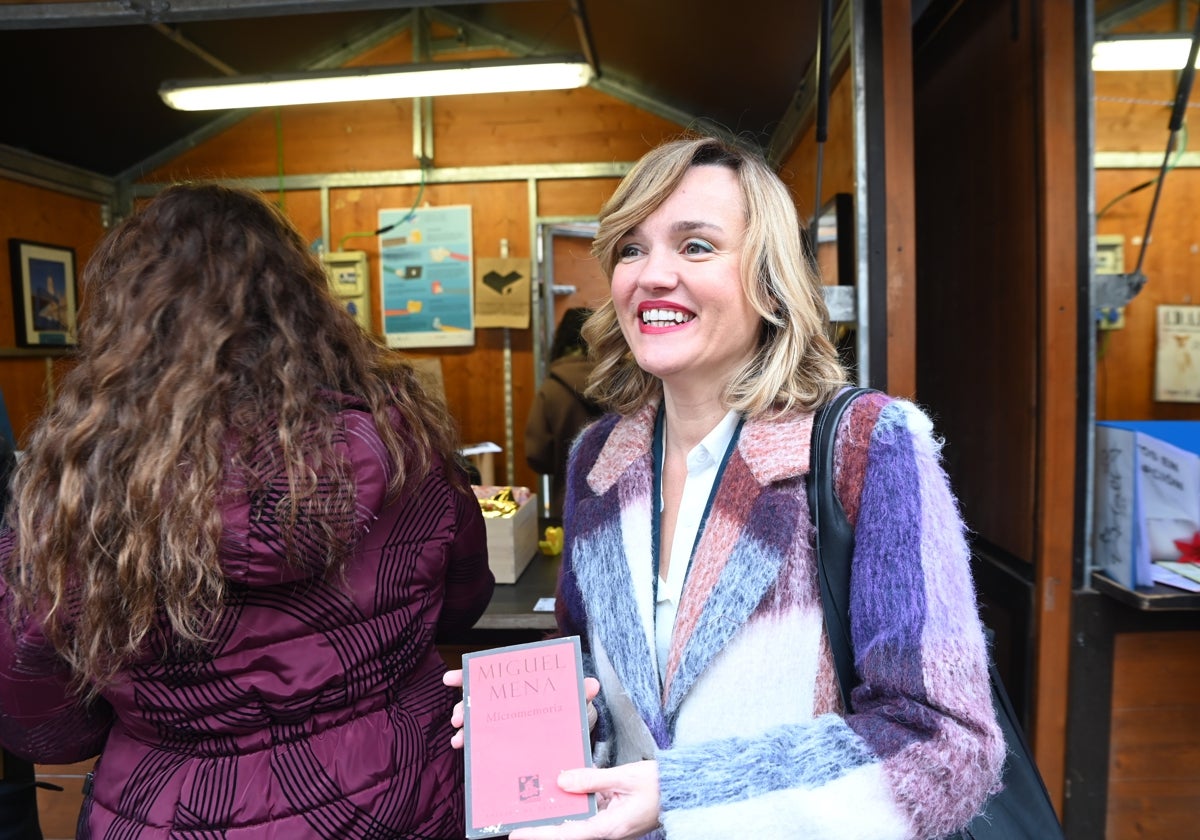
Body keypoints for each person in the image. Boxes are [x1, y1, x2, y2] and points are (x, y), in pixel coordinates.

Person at [447, 135, 1005, 839]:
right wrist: (548, 717)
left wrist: (684, 793)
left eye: (696, 246)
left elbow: (946, 744)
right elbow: (619, 703)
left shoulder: (869, 446)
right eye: (630, 249)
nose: (652, 275)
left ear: (770, 282)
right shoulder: (598, 461)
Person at [0, 183, 495, 838]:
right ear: (303, 302)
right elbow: (463, 603)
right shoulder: (404, 446)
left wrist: (163, 709)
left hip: (174, 809)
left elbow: (44, 726)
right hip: (396, 794)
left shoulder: (79, 489)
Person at [524, 307, 604, 520]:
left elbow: (537, 456)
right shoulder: (624, 384)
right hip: (624, 507)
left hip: (568, 505)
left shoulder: (551, 389)